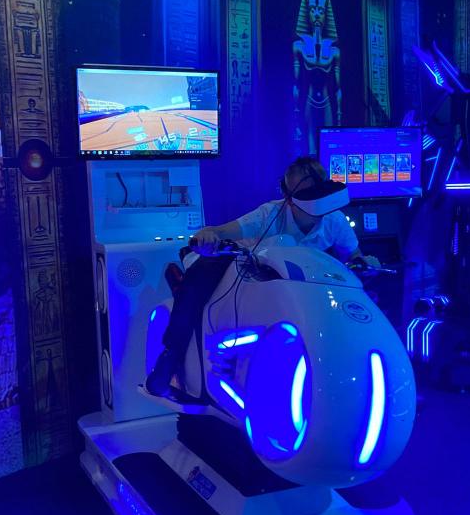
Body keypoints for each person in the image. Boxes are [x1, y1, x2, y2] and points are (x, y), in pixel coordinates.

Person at [145, 155, 372, 396]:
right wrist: (208, 235)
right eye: (306, 193)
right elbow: (221, 231)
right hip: (254, 276)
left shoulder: (334, 220)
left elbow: (354, 254)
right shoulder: (269, 214)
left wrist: (363, 262)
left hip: (302, 289)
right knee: (203, 274)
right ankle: (171, 356)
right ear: (289, 197)